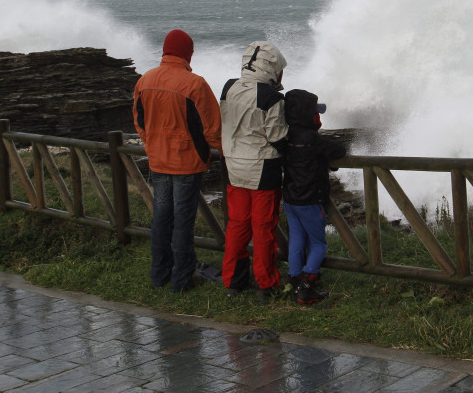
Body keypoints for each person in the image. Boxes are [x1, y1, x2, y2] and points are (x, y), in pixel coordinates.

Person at [133, 29, 222, 292]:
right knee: (183, 223)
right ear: (187, 52)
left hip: (158, 161)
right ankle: (181, 280)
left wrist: (152, 144)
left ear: (165, 50)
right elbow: (212, 129)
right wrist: (225, 152)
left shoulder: (144, 81)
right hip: (186, 163)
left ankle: (159, 275)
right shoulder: (195, 84)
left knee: (161, 219)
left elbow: (139, 123)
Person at [219, 41, 288, 301]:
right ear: (271, 68)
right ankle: (264, 283)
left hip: (234, 166)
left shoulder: (229, 87)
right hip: (263, 168)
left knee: (237, 226)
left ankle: (233, 282)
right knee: (263, 228)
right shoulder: (271, 98)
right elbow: (278, 138)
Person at [282, 89, 346, 304]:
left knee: (297, 241)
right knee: (319, 245)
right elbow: (339, 150)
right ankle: (306, 286)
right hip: (309, 200)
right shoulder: (313, 139)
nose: (319, 117)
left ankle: (294, 279)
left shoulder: (286, 136)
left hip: (290, 199)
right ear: (308, 116)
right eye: (316, 113)